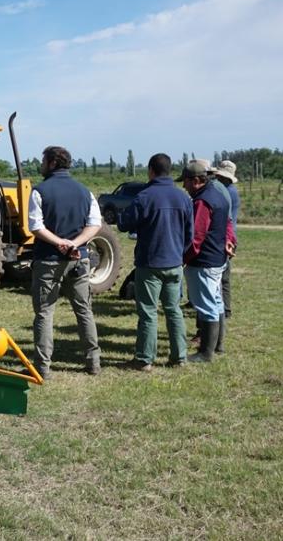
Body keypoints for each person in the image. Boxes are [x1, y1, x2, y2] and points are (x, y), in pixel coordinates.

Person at [28, 146, 102, 378]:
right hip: (79, 258)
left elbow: (35, 226)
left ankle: (42, 367)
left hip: (49, 260)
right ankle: (93, 362)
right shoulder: (84, 191)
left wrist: (60, 242)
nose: (41, 165)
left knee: (44, 313)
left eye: (43, 161)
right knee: (84, 311)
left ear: (51, 163)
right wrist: (75, 243)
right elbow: (95, 224)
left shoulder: (39, 191)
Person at [118, 154, 194, 371]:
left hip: (149, 263)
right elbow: (190, 234)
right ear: (169, 170)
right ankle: (179, 357)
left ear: (151, 170)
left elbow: (124, 224)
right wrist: (179, 253)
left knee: (148, 312)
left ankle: (144, 359)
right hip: (174, 262)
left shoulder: (144, 196)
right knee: (173, 310)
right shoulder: (183, 198)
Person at [181, 160, 236, 362]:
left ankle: (206, 353)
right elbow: (228, 224)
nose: (183, 186)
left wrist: (182, 259)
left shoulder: (202, 202)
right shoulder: (218, 195)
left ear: (196, 181)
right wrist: (231, 242)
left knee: (206, 306)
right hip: (217, 258)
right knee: (216, 302)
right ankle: (218, 346)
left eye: (185, 181)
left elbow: (196, 237)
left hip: (204, 262)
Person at [214, 160, 239, 346]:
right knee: (224, 278)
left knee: (221, 279)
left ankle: (225, 309)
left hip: (225, 238)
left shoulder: (225, 192)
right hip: (230, 237)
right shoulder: (232, 191)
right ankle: (226, 309)